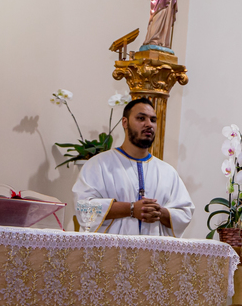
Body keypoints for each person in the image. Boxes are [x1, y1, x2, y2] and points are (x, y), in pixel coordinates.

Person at [72, 97, 194, 236]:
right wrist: (130, 209)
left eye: (153, 120)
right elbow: (83, 207)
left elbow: (185, 212)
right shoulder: (98, 165)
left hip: (153, 253)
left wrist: (159, 212)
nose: (149, 124)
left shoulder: (167, 172)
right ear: (125, 122)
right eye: (141, 118)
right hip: (111, 253)